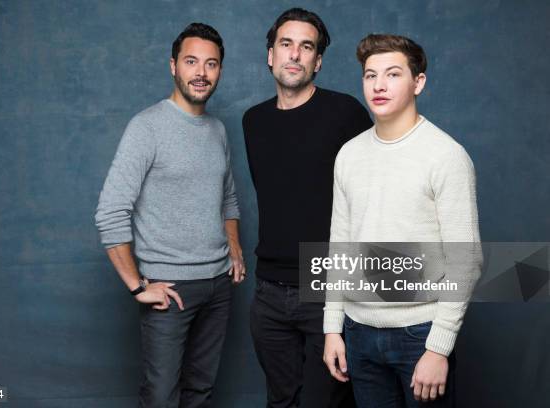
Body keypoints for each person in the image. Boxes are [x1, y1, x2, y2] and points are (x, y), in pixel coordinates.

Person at [323, 34, 482, 407]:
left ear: (418, 82)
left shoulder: (446, 156)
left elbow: (466, 261)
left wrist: (439, 348)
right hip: (357, 334)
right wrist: (333, 328)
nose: (379, 85)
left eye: (393, 74)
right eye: (369, 75)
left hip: (420, 336)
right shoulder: (349, 155)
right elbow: (339, 246)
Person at [95, 23, 244, 408]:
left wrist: (235, 250)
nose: (201, 72)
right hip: (170, 290)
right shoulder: (146, 127)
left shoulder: (217, 130)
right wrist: (137, 286)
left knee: (201, 392)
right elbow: (110, 211)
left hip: (218, 287)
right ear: (173, 66)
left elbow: (227, 197)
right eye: (191, 62)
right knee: (162, 397)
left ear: (220, 72)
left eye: (211, 64)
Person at [242, 8, 372, 407]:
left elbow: (373, 196)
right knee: (281, 400)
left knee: (328, 401)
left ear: (317, 61)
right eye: (286, 44)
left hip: (326, 290)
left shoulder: (345, 113)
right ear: (270, 55)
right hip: (267, 293)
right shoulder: (254, 121)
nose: (294, 55)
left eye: (306, 47)